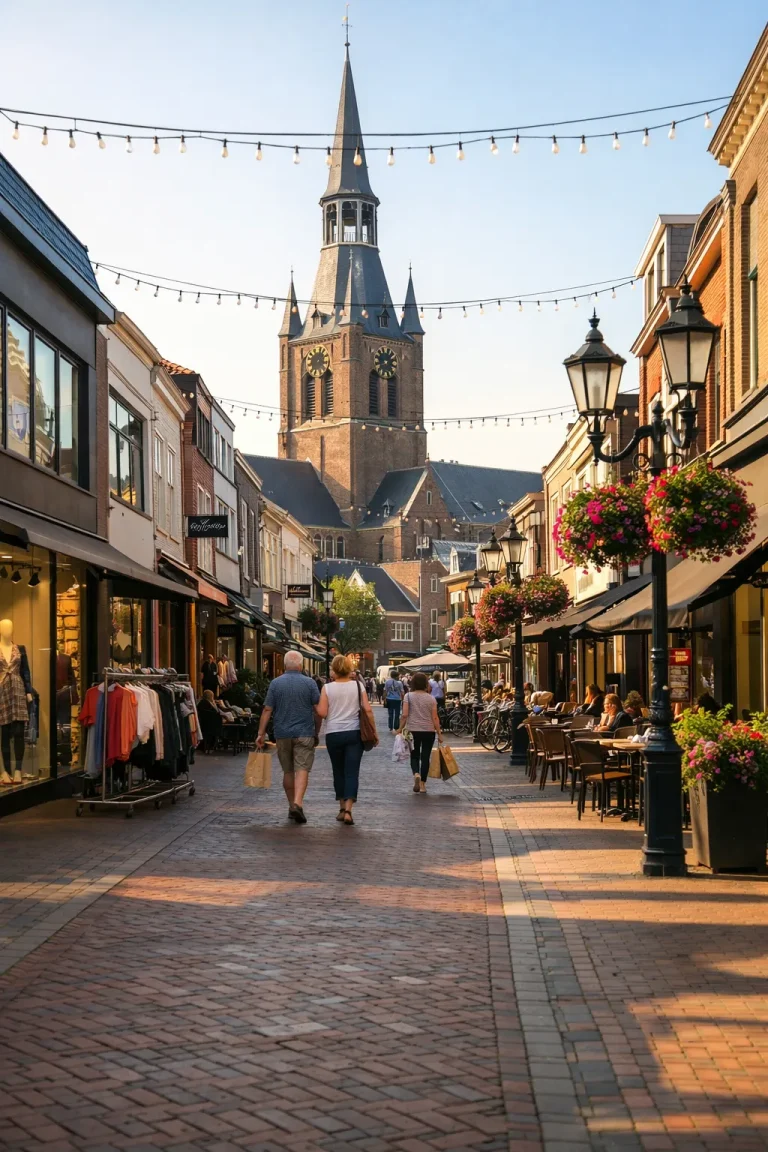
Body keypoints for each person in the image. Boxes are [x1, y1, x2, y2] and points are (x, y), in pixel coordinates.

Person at [256, 651, 320, 824]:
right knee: (302, 769)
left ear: (285, 665)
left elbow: (267, 709)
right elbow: (317, 710)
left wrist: (261, 733)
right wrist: (317, 731)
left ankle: (292, 804)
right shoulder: (310, 683)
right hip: (305, 732)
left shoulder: (275, 684)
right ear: (301, 665)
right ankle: (298, 803)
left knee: (288, 771)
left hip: (282, 733)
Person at [315, 654, 374, 825]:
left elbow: (322, 713)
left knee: (338, 770)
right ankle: (348, 809)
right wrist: (373, 730)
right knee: (352, 771)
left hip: (334, 733)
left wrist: (315, 706)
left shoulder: (327, 688)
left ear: (334, 669)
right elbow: (368, 710)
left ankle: (341, 808)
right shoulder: (358, 686)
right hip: (354, 733)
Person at [400, 672, 442, 794]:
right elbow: (435, 717)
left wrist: (399, 728)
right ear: (425, 683)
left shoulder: (408, 696)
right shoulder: (431, 698)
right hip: (428, 730)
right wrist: (439, 733)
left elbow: (405, 715)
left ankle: (416, 774)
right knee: (425, 757)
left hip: (412, 730)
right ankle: (423, 784)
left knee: (414, 754)